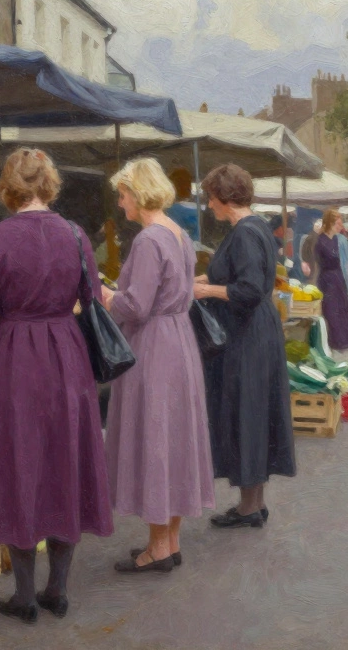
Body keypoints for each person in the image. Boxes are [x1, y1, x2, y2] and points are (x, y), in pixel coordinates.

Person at [0, 148, 113, 624]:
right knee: (65, 461)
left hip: (12, 361)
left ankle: (25, 595)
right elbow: (92, 298)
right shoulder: (75, 234)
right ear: (50, 184)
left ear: (8, 187)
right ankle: (58, 590)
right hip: (67, 357)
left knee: (17, 464)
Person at [100, 158, 214, 573]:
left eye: (123, 193)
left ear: (139, 193)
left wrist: (103, 293)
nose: (120, 202)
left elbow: (136, 305)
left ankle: (157, 549)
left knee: (155, 441)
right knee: (176, 439)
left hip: (154, 347)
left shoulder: (148, 240)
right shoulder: (179, 234)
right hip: (180, 341)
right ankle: (170, 540)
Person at [193, 163, 295, 528]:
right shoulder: (255, 228)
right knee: (253, 413)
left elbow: (250, 290)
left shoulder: (245, 233)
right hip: (255, 332)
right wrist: (210, 278)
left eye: (211, 199)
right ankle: (252, 503)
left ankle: (251, 507)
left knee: (248, 413)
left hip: (247, 335)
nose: (209, 206)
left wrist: (205, 290)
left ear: (223, 198)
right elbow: (241, 276)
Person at [314, 207, 348, 350]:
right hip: (328, 279)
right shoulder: (321, 241)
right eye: (338, 224)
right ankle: (337, 342)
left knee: (344, 308)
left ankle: (347, 341)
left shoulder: (337, 240)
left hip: (338, 277)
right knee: (332, 311)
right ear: (330, 224)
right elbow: (320, 262)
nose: (340, 227)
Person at [299, 219, 323, 284]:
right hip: (314, 269)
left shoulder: (307, 238)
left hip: (313, 270)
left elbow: (303, 255)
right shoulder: (310, 239)